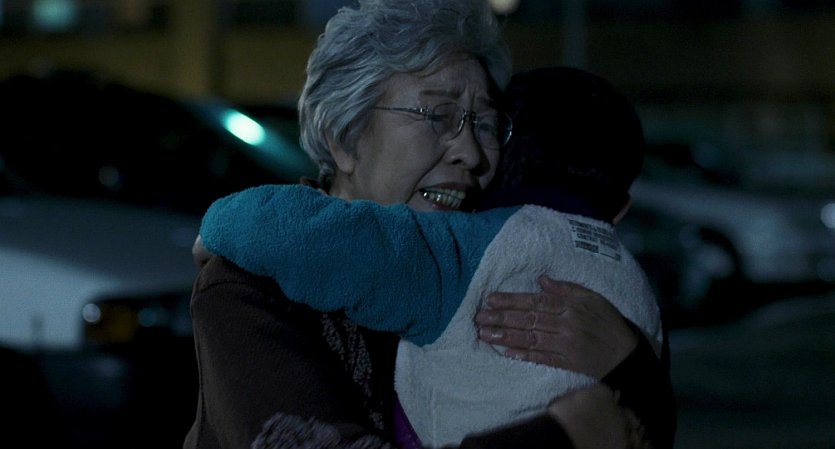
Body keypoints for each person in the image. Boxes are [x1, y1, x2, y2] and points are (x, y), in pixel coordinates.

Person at [183, 1, 675, 449]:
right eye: (438, 116)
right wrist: (561, 437)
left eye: (484, 124)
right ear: (344, 138)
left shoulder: (499, 264)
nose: (472, 153)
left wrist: (630, 365)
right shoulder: (252, 287)